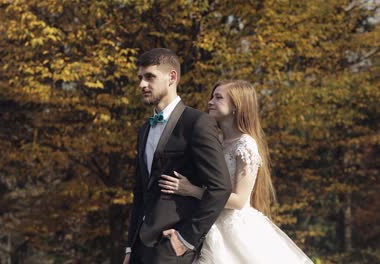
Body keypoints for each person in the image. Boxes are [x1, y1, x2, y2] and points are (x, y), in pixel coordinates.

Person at [159, 80, 314, 263]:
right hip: (207, 221)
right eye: (212, 96)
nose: (210, 102)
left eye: (218, 98)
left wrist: (191, 190)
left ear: (236, 106)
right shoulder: (214, 141)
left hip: (235, 231)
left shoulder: (245, 144)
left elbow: (239, 201)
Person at [123, 48, 233, 264]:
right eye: (140, 78)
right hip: (139, 247)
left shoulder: (197, 123)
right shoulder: (145, 129)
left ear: (172, 77)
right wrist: (129, 246)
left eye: (149, 77)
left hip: (173, 247)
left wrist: (187, 238)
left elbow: (221, 188)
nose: (142, 85)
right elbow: (140, 190)